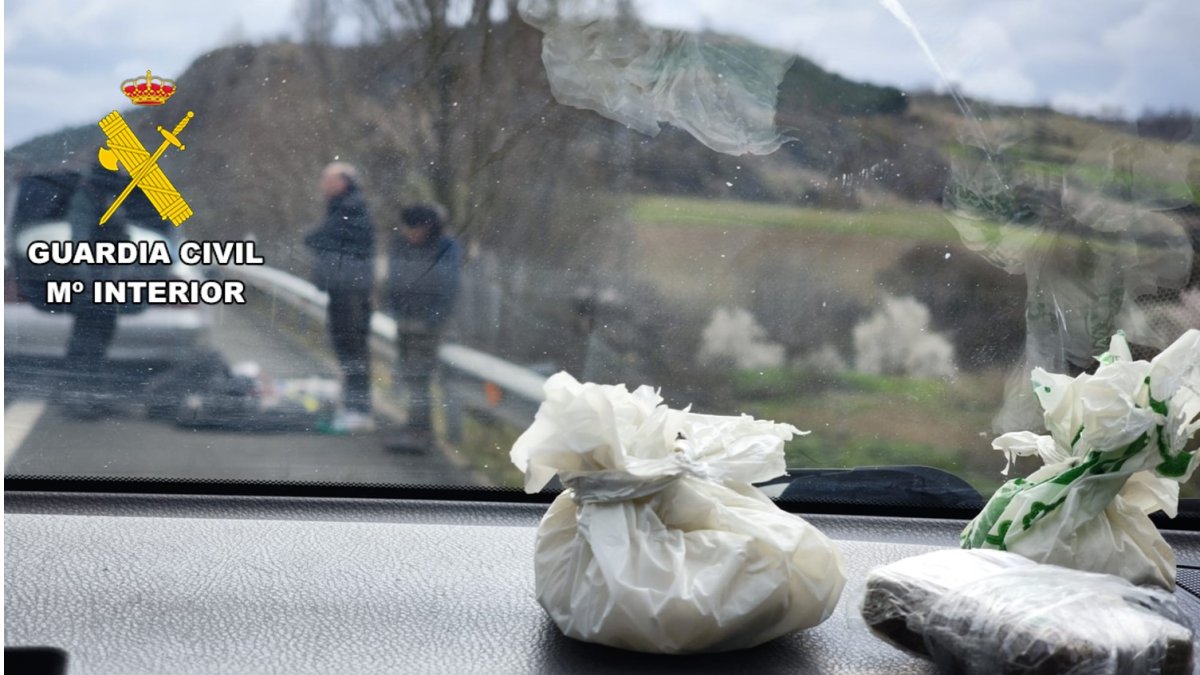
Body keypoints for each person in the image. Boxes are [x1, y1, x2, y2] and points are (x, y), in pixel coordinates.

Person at [304, 162, 376, 432]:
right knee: (348, 350)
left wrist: (320, 240)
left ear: (342, 183)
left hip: (350, 291)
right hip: (343, 289)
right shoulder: (343, 208)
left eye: (328, 179)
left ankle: (359, 409)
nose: (322, 184)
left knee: (352, 350)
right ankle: (354, 407)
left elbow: (318, 238)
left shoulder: (350, 209)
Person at [386, 204, 461, 441]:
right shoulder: (401, 244)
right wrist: (395, 309)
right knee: (409, 374)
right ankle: (415, 425)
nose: (411, 234)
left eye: (415, 229)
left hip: (428, 324)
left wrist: (433, 318)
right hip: (405, 319)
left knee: (420, 375)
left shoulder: (445, 246)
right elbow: (394, 278)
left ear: (427, 228)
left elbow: (449, 286)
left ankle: (420, 428)